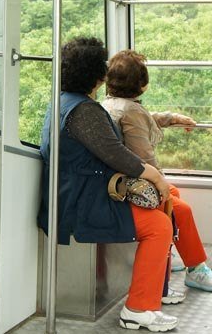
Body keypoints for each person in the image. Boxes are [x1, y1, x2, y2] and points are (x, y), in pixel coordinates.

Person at [37, 37, 179, 332]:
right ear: (98, 75)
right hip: (81, 203)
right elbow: (116, 154)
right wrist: (155, 177)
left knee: (159, 220)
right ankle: (139, 308)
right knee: (159, 227)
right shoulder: (84, 111)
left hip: (70, 195)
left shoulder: (62, 102)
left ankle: (146, 299)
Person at [102, 49, 212, 297]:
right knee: (181, 208)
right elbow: (144, 157)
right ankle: (196, 268)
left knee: (175, 193)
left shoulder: (109, 105)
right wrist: (160, 182)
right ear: (143, 85)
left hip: (116, 181)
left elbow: (143, 118)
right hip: (128, 186)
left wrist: (171, 118)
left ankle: (174, 252)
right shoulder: (132, 112)